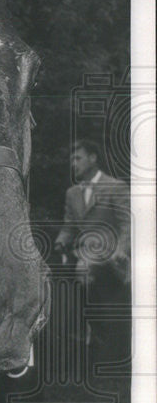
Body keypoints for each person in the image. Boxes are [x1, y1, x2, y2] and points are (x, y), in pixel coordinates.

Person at [53, 138, 131, 355]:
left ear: (93, 158)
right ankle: (68, 334)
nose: (73, 164)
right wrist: (59, 244)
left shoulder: (115, 187)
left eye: (77, 158)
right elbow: (69, 227)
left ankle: (94, 333)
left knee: (83, 269)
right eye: (71, 160)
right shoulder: (72, 193)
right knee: (51, 272)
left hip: (110, 251)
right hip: (82, 251)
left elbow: (128, 225)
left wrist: (121, 250)